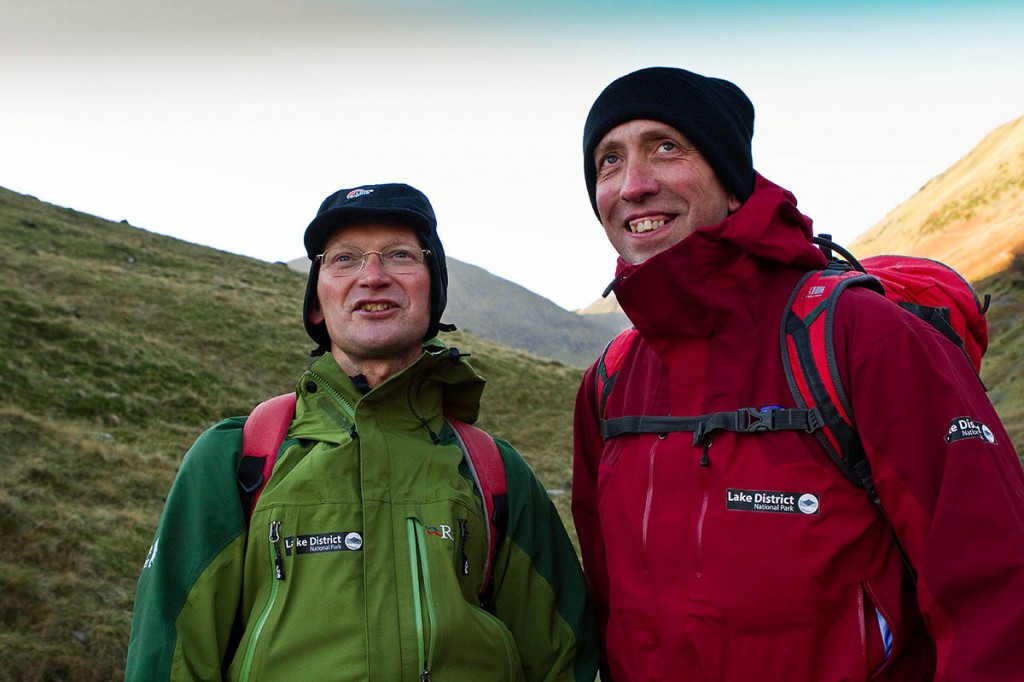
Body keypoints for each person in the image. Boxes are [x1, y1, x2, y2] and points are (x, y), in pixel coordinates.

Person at [571, 66, 1024, 681]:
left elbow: (996, 593)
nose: (633, 185)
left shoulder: (860, 336)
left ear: (731, 182)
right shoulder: (610, 383)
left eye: (666, 148)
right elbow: (609, 611)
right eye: (608, 161)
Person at [126, 183, 597, 681]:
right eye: (345, 259)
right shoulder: (235, 458)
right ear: (316, 302)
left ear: (433, 291)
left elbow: (563, 659)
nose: (373, 277)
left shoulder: (495, 472)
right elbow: (170, 656)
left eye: (399, 255)